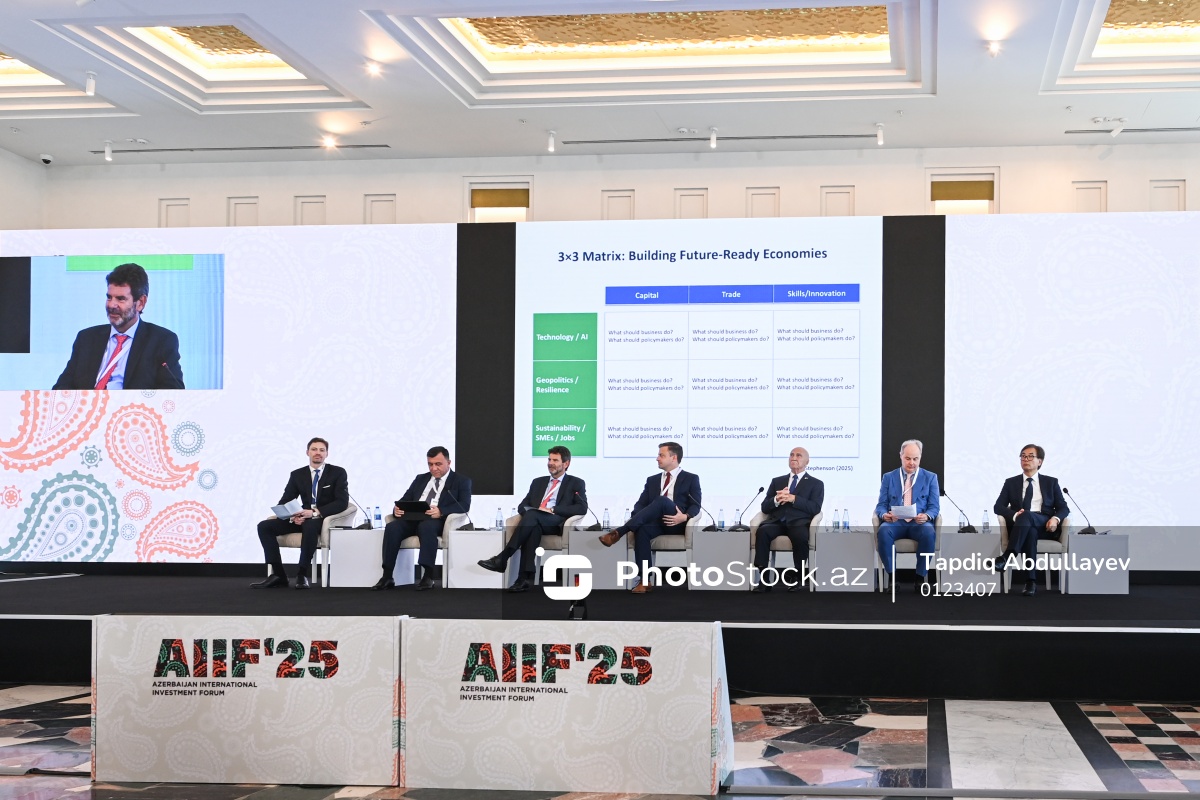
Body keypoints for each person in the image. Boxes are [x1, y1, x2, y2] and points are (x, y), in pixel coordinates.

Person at [53, 262, 184, 390]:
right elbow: (61, 389)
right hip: (89, 404)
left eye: (121, 299)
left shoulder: (161, 341)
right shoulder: (87, 338)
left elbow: (173, 392)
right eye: (109, 297)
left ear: (140, 303)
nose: (111, 305)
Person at [477, 445, 587, 593]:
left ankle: (503, 558)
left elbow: (581, 508)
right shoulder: (538, 482)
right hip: (535, 520)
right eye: (549, 459)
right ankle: (523, 579)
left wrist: (552, 509)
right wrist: (533, 512)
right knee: (532, 525)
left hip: (556, 522)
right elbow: (522, 506)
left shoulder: (576, 483)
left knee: (532, 517)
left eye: (555, 460)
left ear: (566, 463)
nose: (550, 463)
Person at [599, 441, 700, 593]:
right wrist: (636, 518)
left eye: (661, 455)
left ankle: (619, 532)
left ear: (674, 458)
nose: (657, 458)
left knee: (661, 500)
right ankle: (645, 580)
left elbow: (696, 505)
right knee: (642, 530)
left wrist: (685, 517)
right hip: (656, 523)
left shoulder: (691, 478)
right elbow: (641, 504)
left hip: (676, 522)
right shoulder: (652, 480)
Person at [252, 437, 349, 589]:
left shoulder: (337, 473)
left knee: (310, 525)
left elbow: (341, 502)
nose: (318, 453)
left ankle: (302, 574)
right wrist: (293, 516)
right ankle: (279, 575)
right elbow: (285, 501)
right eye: (314, 449)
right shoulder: (297, 474)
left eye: (322, 450)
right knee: (264, 526)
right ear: (307, 452)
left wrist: (315, 512)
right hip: (301, 517)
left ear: (327, 454)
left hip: (322, 519)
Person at [373, 446, 472, 591]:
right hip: (413, 518)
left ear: (449, 462)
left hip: (436, 520)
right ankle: (387, 576)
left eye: (438, 464)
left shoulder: (461, 481)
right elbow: (405, 499)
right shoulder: (421, 479)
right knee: (392, 527)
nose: (433, 468)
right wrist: (397, 510)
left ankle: (428, 575)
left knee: (426, 526)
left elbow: (464, 505)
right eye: (430, 464)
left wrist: (441, 511)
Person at [993, 444, 1069, 597]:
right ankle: (1031, 582)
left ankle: (1007, 557)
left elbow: (1063, 508)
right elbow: (998, 507)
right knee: (1030, 530)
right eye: (1023, 456)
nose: (1025, 459)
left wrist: (1055, 519)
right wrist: (1015, 515)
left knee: (1027, 517)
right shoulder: (1011, 482)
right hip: (1022, 526)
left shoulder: (1051, 482)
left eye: (1030, 456)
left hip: (1045, 525)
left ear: (1039, 461)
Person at [752, 447, 824, 593]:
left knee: (801, 536)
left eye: (798, 455)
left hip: (799, 523)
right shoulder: (777, 481)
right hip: (777, 522)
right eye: (791, 455)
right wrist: (776, 499)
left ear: (807, 462)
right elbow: (765, 507)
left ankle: (798, 578)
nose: (794, 457)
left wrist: (794, 499)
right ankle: (764, 578)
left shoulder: (816, 483)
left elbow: (815, 508)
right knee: (762, 531)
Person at [875, 439, 940, 592]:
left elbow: (934, 507)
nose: (912, 463)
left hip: (918, 523)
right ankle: (893, 578)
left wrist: (927, 516)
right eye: (908, 458)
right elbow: (881, 505)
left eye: (915, 459)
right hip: (895, 522)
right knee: (883, 531)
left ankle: (920, 577)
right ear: (901, 456)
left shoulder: (930, 477)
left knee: (929, 532)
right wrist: (884, 515)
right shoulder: (889, 477)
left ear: (920, 457)